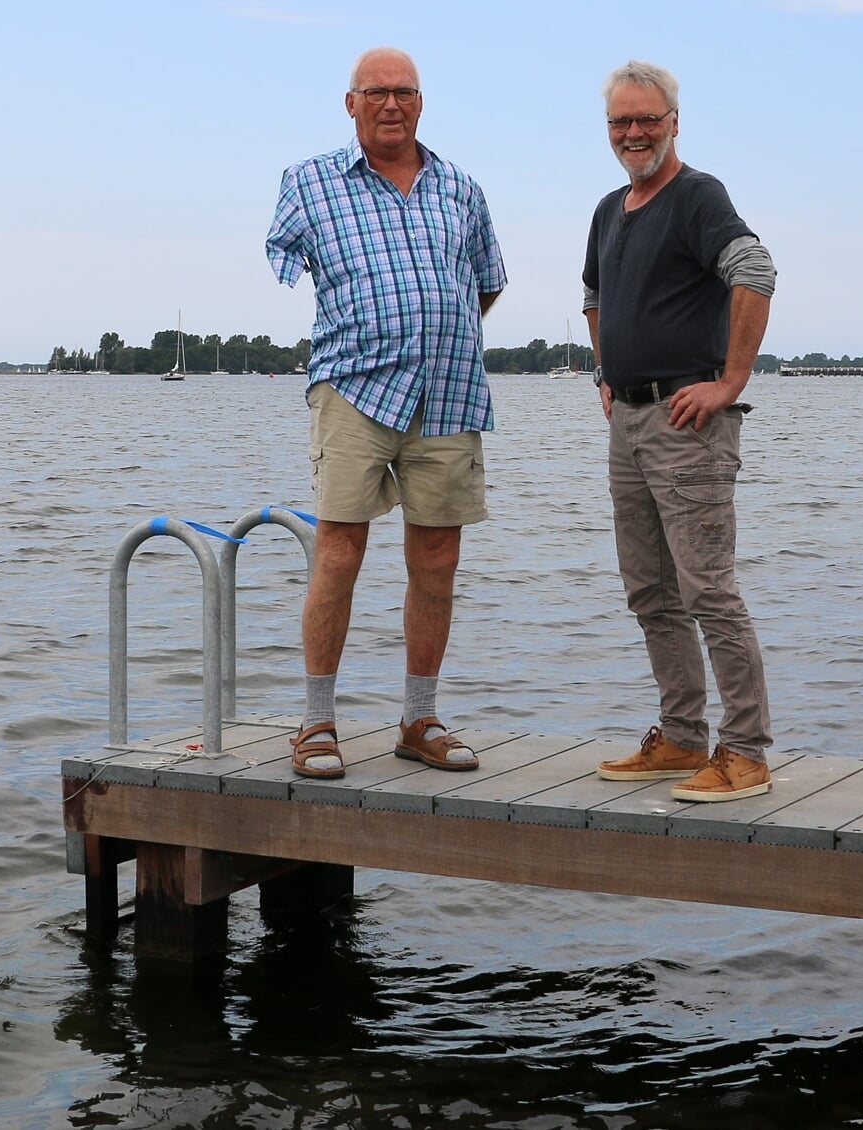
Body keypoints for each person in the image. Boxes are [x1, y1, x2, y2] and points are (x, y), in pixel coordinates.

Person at [264, 46, 506, 779]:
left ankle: (419, 719)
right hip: (355, 390)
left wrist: (436, 325)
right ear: (351, 103)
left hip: (450, 391)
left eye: (404, 92)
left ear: (422, 103)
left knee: (438, 558)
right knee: (339, 551)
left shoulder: (461, 188)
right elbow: (283, 264)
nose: (391, 104)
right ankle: (315, 724)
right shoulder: (308, 183)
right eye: (377, 92)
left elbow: (486, 284)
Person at [582, 60, 777, 803]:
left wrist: (730, 381)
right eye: (620, 123)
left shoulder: (697, 196)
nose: (634, 133)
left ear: (673, 123)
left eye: (647, 120)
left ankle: (748, 751)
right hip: (627, 420)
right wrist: (607, 374)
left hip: (687, 423)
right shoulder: (610, 208)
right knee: (650, 590)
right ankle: (683, 737)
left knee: (708, 589)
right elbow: (594, 295)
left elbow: (754, 269)